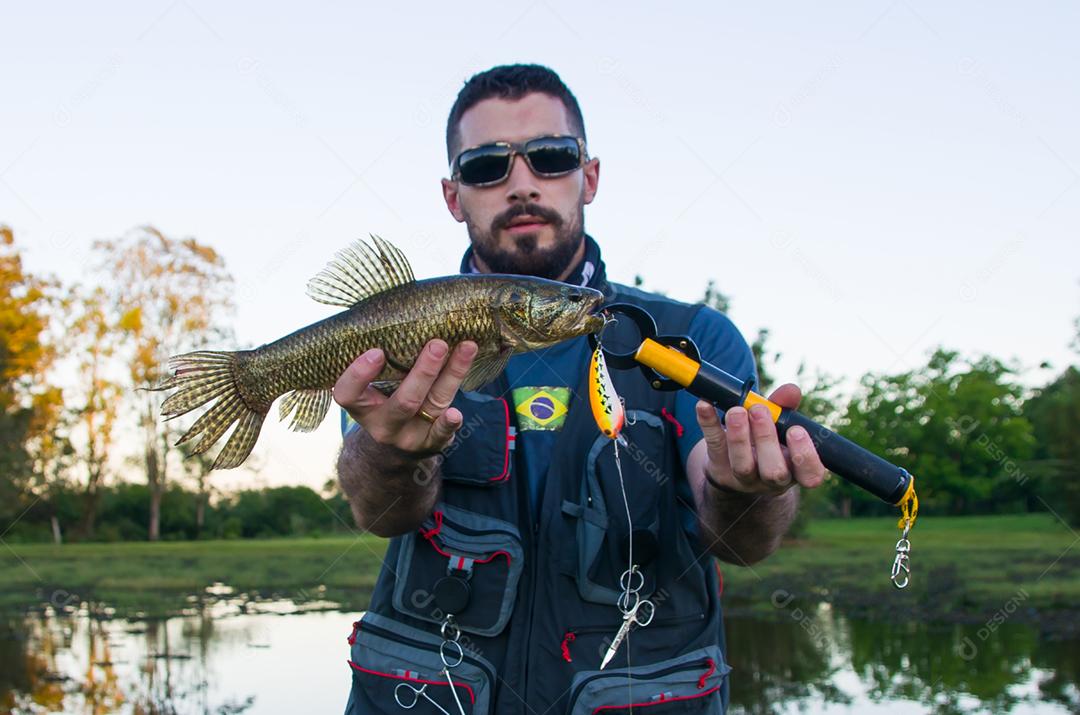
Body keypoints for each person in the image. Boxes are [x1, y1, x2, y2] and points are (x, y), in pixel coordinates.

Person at [334, 64, 825, 714]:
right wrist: (394, 454)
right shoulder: (401, 334)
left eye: (551, 157)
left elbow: (743, 542)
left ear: (588, 176)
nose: (522, 184)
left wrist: (746, 486)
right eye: (487, 167)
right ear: (453, 196)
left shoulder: (694, 338)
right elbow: (380, 513)